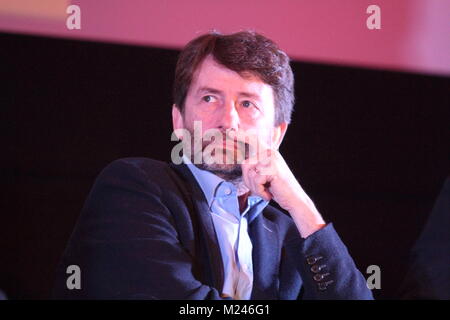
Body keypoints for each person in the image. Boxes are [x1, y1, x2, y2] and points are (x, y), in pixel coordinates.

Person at [53, 31, 373, 300]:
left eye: (247, 103)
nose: (227, 121)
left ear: (277, 133)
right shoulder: (133, 187)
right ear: (178, 120)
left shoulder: (289, 233)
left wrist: (302, 207)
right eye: (209, 98)